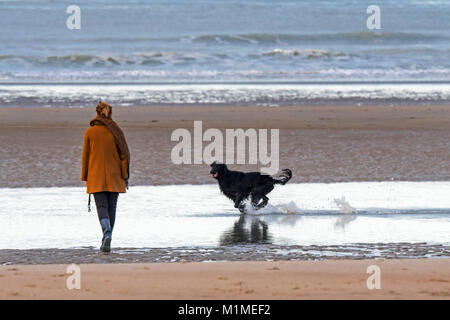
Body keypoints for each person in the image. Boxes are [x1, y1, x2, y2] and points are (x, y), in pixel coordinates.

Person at [81, 101, 130, 252]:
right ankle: (107, 237)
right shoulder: (116, 131)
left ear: (96, 114)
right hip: (115, 176)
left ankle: (106, 234)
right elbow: (125, 155)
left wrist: (85, 177)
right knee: (111, 208)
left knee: (101, 207)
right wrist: (125, 175)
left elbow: (86, 157)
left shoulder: (90, 132)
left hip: (96, 177)